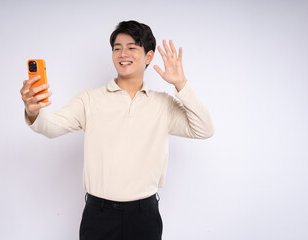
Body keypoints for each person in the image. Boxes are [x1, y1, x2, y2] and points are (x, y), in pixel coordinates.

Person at [20, 20, 214, 240]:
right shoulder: (90, 99)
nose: (123, 53)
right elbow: (52, 127)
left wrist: (181, 84)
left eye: (132, 47)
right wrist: (33, 111)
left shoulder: (163, 104)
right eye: (117, 48)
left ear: (148, 56)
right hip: (99, 216)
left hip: (145, 216)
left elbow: (204, 129)